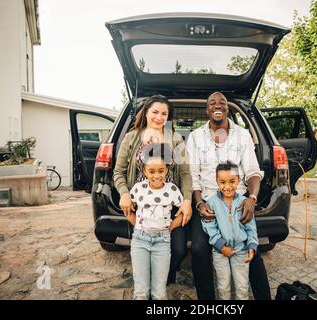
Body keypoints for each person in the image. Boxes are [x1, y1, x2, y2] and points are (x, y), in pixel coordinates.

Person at [186, 91, 271, 300]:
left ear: (227, 108)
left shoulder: (242, 135)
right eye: (212, 103)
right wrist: (199, 205)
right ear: (207, 110)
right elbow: (193, 176)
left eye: (222, 102)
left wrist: (252, 198)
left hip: (238, 199)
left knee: (253, 249)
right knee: (198, 249)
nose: (217, 105)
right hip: (206, 201)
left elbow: (252, 171)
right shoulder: (195, 137)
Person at [113, 94, 192, 285]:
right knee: (144, 249)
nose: (159, 117)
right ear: (146, 113)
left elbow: (185, 173)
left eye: (164, 113)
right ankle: (146, 283)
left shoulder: (175, 138)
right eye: (155, 112)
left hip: (170, 204)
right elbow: (118, 172)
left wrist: (187, 200)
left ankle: (163, 280)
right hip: (141, 205)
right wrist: (124, 193)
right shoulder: (132, 138)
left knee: (179, 249)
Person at [126, 143, 184, 299]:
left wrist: (171, 226)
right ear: (144, 170)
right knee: (141, 291)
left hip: (162, 242)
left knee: (159, 292)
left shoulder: (172, 189)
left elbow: (182, 212)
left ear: (167, 170)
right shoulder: (138, 188)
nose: (157, 175)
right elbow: (128, 210)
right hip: (140, 240)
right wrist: (137, 224)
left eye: (161, 170)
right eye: (151, 171)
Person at [202, 161, 258, 300]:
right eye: (222, 182)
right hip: (220, 253)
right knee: (223, 287)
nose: (227, 186)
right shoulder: (212, 202)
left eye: (232, 181)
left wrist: (252, 245)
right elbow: (209, 227)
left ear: (238, 180)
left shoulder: (244, 202)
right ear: (217, 182)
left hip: (241, 250)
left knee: (242, 287)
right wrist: (221, 246)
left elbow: (251, 227)